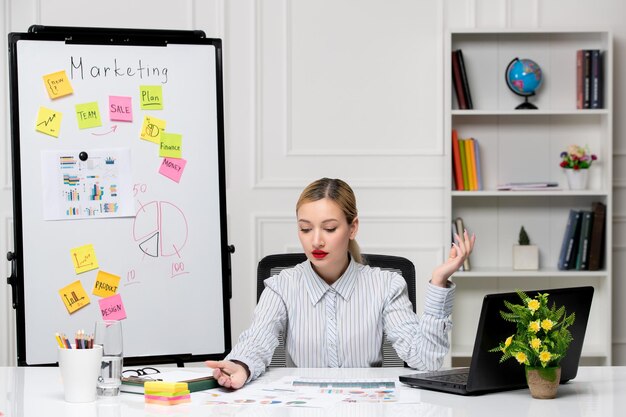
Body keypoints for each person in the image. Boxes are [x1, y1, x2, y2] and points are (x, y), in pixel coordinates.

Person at [206, 178, 475, 389]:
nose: (316, 241)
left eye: (330, 228)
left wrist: (439, 282)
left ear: (353, 227)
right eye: (305, 228)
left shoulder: (386, 285)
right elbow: (257, 339)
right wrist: (240, 366)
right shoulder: (281, 286)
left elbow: (426, 360)